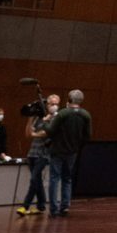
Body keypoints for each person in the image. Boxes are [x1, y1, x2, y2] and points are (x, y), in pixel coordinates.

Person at [34, 89, 91, 217]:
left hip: (58, 150)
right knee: (67, 178)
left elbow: (50, 131)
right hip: (72, 151)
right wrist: (77, 146)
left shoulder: (63, 114)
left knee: (54, 178)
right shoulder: (86, 115)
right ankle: (65, 206)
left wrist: (44, 122)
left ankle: (54, 209)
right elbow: (87, 136)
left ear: (69, 100)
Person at [16, 94, 58, 216]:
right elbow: (28, 134)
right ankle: (41, 206)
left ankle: (25, 206)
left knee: (34, 179)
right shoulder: (39, 118)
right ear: (46, 104)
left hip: (44, 154)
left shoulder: (55, 119)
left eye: (56, 104)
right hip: (32, 152)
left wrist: (35, 133)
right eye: (51, 104)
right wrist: (30, 119)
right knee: (37, 180)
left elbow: (45, 133)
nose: (54, 106)